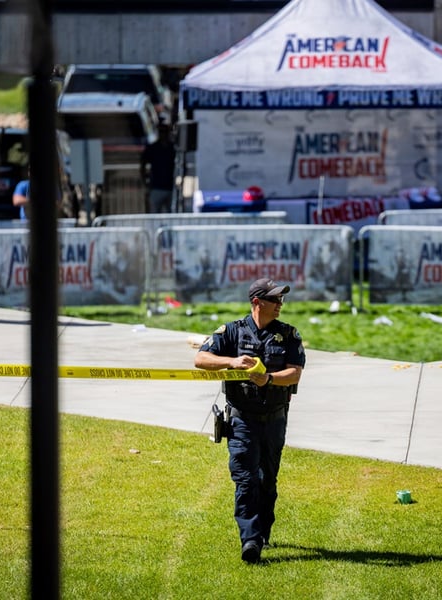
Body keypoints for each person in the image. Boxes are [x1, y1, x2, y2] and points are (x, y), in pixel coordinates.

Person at [194, 278, 305, 564]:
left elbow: (294, 373)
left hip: (275, 420)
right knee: (245, 479)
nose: (280, 304)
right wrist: (231, 362)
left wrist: (268, 378)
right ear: (257, 302)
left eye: (281, 299)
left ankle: (263, 531)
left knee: (267, 479)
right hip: (242, 420)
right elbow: (201, 359)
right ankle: (250, 539)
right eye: (274, 299)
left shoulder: (289, 335)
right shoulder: (231, 332)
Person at [140, 124, 176, 213]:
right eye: (161, 132)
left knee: (171, 216)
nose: (163, 134)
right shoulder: (152, 148)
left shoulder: (173, 148)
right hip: (156, 187)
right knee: (154, 216)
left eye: (165, 132)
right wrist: (145, 182)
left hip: (170, 187)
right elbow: (143, 165)